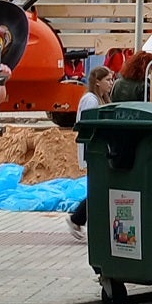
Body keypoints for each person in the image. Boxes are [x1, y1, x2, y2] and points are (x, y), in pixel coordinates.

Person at [67, 66, 116, 242]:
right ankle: (77, 218)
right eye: (108, 80)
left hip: (99, 150)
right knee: (98, 188)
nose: (111, 83)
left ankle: (81, 219)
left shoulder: (100, 99)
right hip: (94, 151)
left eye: (112, 79)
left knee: (99, 188)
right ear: (97, 82)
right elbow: (87, 126)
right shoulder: (91, 100)